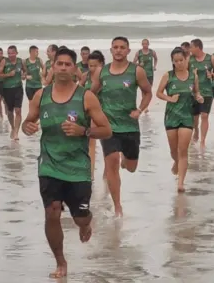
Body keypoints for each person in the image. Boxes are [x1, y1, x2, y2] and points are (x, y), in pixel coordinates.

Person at [22, 46, 112, 279]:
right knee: (52, 212)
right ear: (52, 67)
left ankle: (85, 225)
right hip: (49, 164)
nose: (62, 67)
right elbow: (28, 122)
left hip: (77, 168)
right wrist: (27, 127)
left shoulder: (86, 97)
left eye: (67, 64)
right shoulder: (41, 96)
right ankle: (61, 262)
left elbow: (107, 131)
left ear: (75, 69)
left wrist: (83, 130)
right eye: (59, 63)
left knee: (80, 217)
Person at [90, 36, 152, 217]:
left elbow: (148, 92)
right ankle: (118, 207)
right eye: (115, 47)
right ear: (111, 50)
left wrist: (140, 109)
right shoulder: (102, 72)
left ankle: (127, 159)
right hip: (108, 127)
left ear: (128, 50)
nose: (118, 50)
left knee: (131, 166)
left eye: (122, 47)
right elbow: (90, 94)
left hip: (130, 127)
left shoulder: (137, 71)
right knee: (112, 162)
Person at [155, 47, 203, 192]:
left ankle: (180, 183)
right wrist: (170, 98)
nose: (179, 63)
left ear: (186, 59)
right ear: (173, 62)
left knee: (183, 150)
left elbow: (196, 92)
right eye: (176, 61)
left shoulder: (192, 76)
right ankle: (176, 162)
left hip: (187, 116)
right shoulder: (168, 76)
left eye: (181, 60)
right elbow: (158, 93)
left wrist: (199, 97)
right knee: (173, 150)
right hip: (171, 116)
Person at [189, 38, 214, 148]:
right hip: (193, 93)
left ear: (197, 47)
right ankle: (196, 130)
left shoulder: (210, 58)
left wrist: (212, 75)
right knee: (194, 118)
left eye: (191, 47)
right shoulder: (189, 59)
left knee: (204, 115)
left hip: (207, 92)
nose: (190, 49)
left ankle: (202, 141)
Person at [84, 50, 105, 177]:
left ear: (101, 64)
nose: (92, 68)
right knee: (91, 142)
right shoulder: (85, 76)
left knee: (106, 142)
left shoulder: (106, 77)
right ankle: (91, 172)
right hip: (88, 113)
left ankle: (107, 171)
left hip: (104, 112)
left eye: (95, 66)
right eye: (90, 65)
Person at [0, 45, 25, 140]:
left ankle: (16, 132)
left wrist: (24, 76)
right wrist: (8, 74)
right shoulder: (4, 61)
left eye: (12, 53)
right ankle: (13, 128)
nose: (10, 55)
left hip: (18, 88)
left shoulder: (21, 61)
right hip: (7, 89)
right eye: (9, 53)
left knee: (18, 110)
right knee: (10, 111)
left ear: (16, 53)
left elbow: (25, 72)